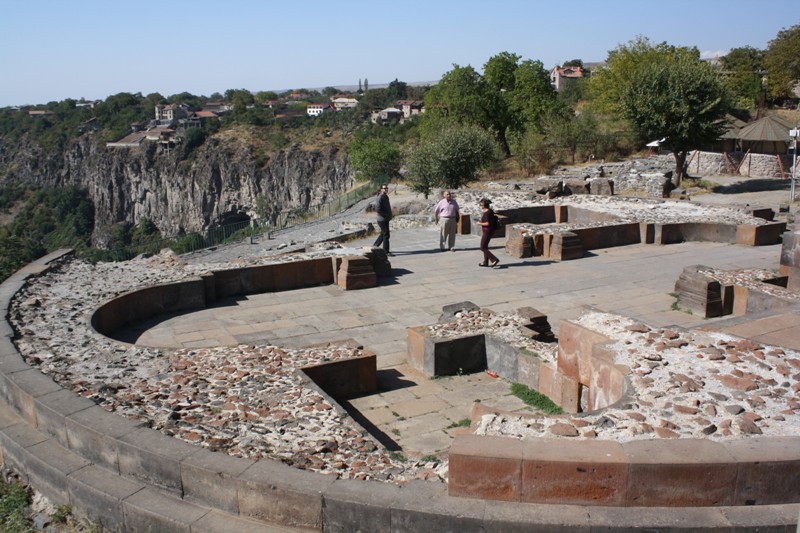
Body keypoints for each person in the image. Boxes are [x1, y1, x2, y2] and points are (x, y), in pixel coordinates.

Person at [477, 198, 499, 268]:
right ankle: (485, 262)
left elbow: (487, 223)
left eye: (481, 204)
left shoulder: (486, 213)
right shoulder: (490, 211)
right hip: (490, 231)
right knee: (485, 247)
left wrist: (479, 223)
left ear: (484, 205)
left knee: (482, 247)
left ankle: (494, 259)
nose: (480, 205)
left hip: (487, 231)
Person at [373, 184, 393, 255]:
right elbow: (378, 209)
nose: (386, 189)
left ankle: (374, 247)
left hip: (385, 219)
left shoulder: (385, 197)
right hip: (382, 219)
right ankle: (386, 251)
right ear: (381, 189)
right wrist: (386, 215)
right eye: (384, 188)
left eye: (387, 188)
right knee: (386, 235)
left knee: (383, 234)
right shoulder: (380, 197)